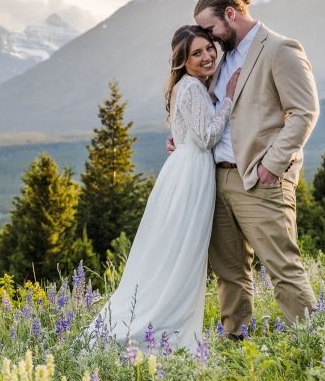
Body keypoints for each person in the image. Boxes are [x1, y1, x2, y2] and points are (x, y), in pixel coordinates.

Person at [99, 25, 239, 350]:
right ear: (183, 61)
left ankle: (170, 329)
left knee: (179, 251)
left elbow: (189, 132)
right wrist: (230, 98)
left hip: (187, 170)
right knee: (182, 253)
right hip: (191, 174)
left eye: (208, 49)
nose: (206, 57)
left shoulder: (190, 86)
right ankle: (165, 331)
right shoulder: (190, 88)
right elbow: (205, 138)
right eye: (196, 53)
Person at [191, 0, 319, 338]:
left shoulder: (280, 49)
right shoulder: (220, 57)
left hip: (260, 181)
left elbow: (304, 113)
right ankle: (236, 347)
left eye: (210, 28)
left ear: (231, 15)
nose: (208, 37)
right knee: (229, 273)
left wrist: (271, 167)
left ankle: (313, 345)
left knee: (282, 267)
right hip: (216, 181)